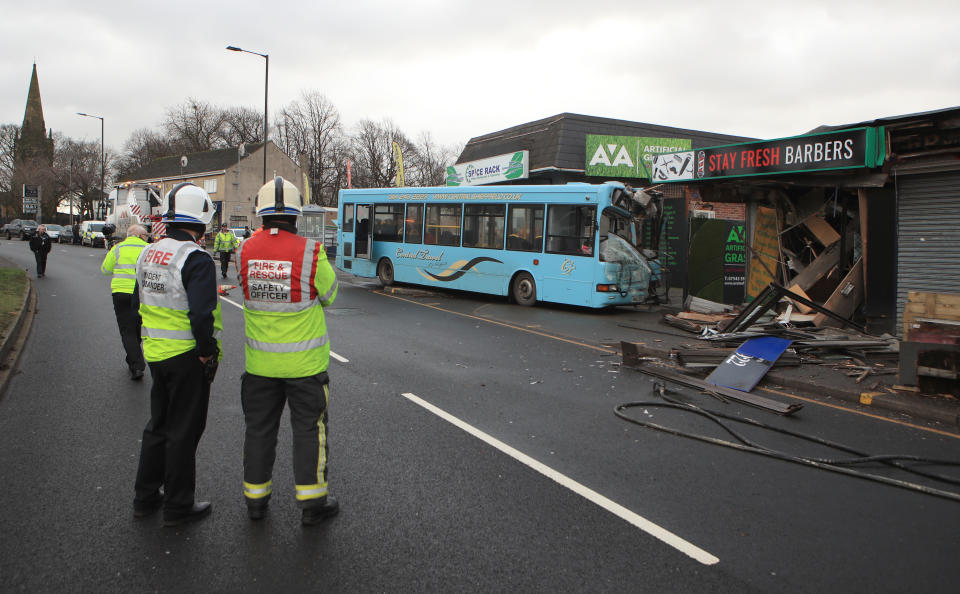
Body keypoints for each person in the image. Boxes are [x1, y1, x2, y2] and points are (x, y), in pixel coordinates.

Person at [238, 176, 339, 526]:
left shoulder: (245, 250)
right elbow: (329, 296)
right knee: (310, 431)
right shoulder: (311, 251)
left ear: (260, 213)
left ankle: (256, 501)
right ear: (296, 215)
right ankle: (312, 505)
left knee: (259, 431)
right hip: (305, 367)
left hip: (259, 365)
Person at [132, 182, 223, 527]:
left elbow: (134, 301)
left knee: (159, 425)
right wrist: (207, 352)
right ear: (201, 220)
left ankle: (145, 497)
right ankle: (178, 506)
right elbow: (201, 315)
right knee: (184, 431)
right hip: (186, 355)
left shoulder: (149, 252)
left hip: (156, 352)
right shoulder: (196, 259)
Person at [100, 224, 150, 380]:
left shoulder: (117, 248)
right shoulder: (148, 248)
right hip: (142, 293)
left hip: (120, 293)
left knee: (127, 329)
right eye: (146, 235)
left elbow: (105, 270)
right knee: (137, 327)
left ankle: (135, 363)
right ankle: (136, 361)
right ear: (141, 236)